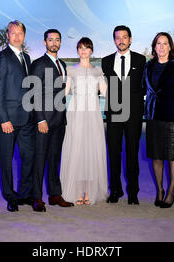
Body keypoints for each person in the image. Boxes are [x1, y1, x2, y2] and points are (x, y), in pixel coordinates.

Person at [0, 20, 35, 212]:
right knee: (6, 159)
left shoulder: (27, 57)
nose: (17, 36)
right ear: (7, 35)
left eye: (20, 33)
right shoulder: (1, 58)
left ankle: (24, 194)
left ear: (24, 35)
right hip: (8, 120)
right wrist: (3, 119)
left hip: (26, 119)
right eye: (13, 33)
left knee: (29, 157)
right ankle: (10, 196)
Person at [30, 29, 74, 212]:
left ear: (61, 42)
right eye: (50, 40)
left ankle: (55, 195)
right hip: (44, 121)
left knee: (55, 158)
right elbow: (33, 93)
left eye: (57, 39)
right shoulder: (39, 64)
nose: (54, 43)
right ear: (44, 42)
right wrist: (40, 119)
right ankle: (37, 198)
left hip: (59, 120)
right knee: (39, 159)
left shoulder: (62, 64)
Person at [60, 37, 108, 205]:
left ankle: (89, 191)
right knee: (77, 150)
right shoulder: (70, 70)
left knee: (91, 150)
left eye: (87, 48)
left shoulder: (98, 70)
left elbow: (105, 92)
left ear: (91, 50)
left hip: (93, 114)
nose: (83, 50)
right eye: (80, 48)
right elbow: (64, 93)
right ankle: (77, 191)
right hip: (76, 114)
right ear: (77, 50)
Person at [142, 32, 174, 208]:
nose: (161, 47)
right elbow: (143, 90)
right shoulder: (148, 66)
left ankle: (171, 191)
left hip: (172, 117)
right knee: (156, 155)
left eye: (165, 43)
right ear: (154, 47)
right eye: (158, 44)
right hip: (153, 116)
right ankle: (160, 189)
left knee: (173, 155)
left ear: (170, 47)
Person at [102, 25, 146, 205]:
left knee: (132, 153)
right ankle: (115, 190)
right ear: (114, 40)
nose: (121, 40)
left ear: (130, 39)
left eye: (124, 37)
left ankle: (133, 192)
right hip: (113, 113)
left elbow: (145, 85)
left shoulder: (141, 59)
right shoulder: (105, 61)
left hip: (134, 114)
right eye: (117, 37)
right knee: (113, 153)